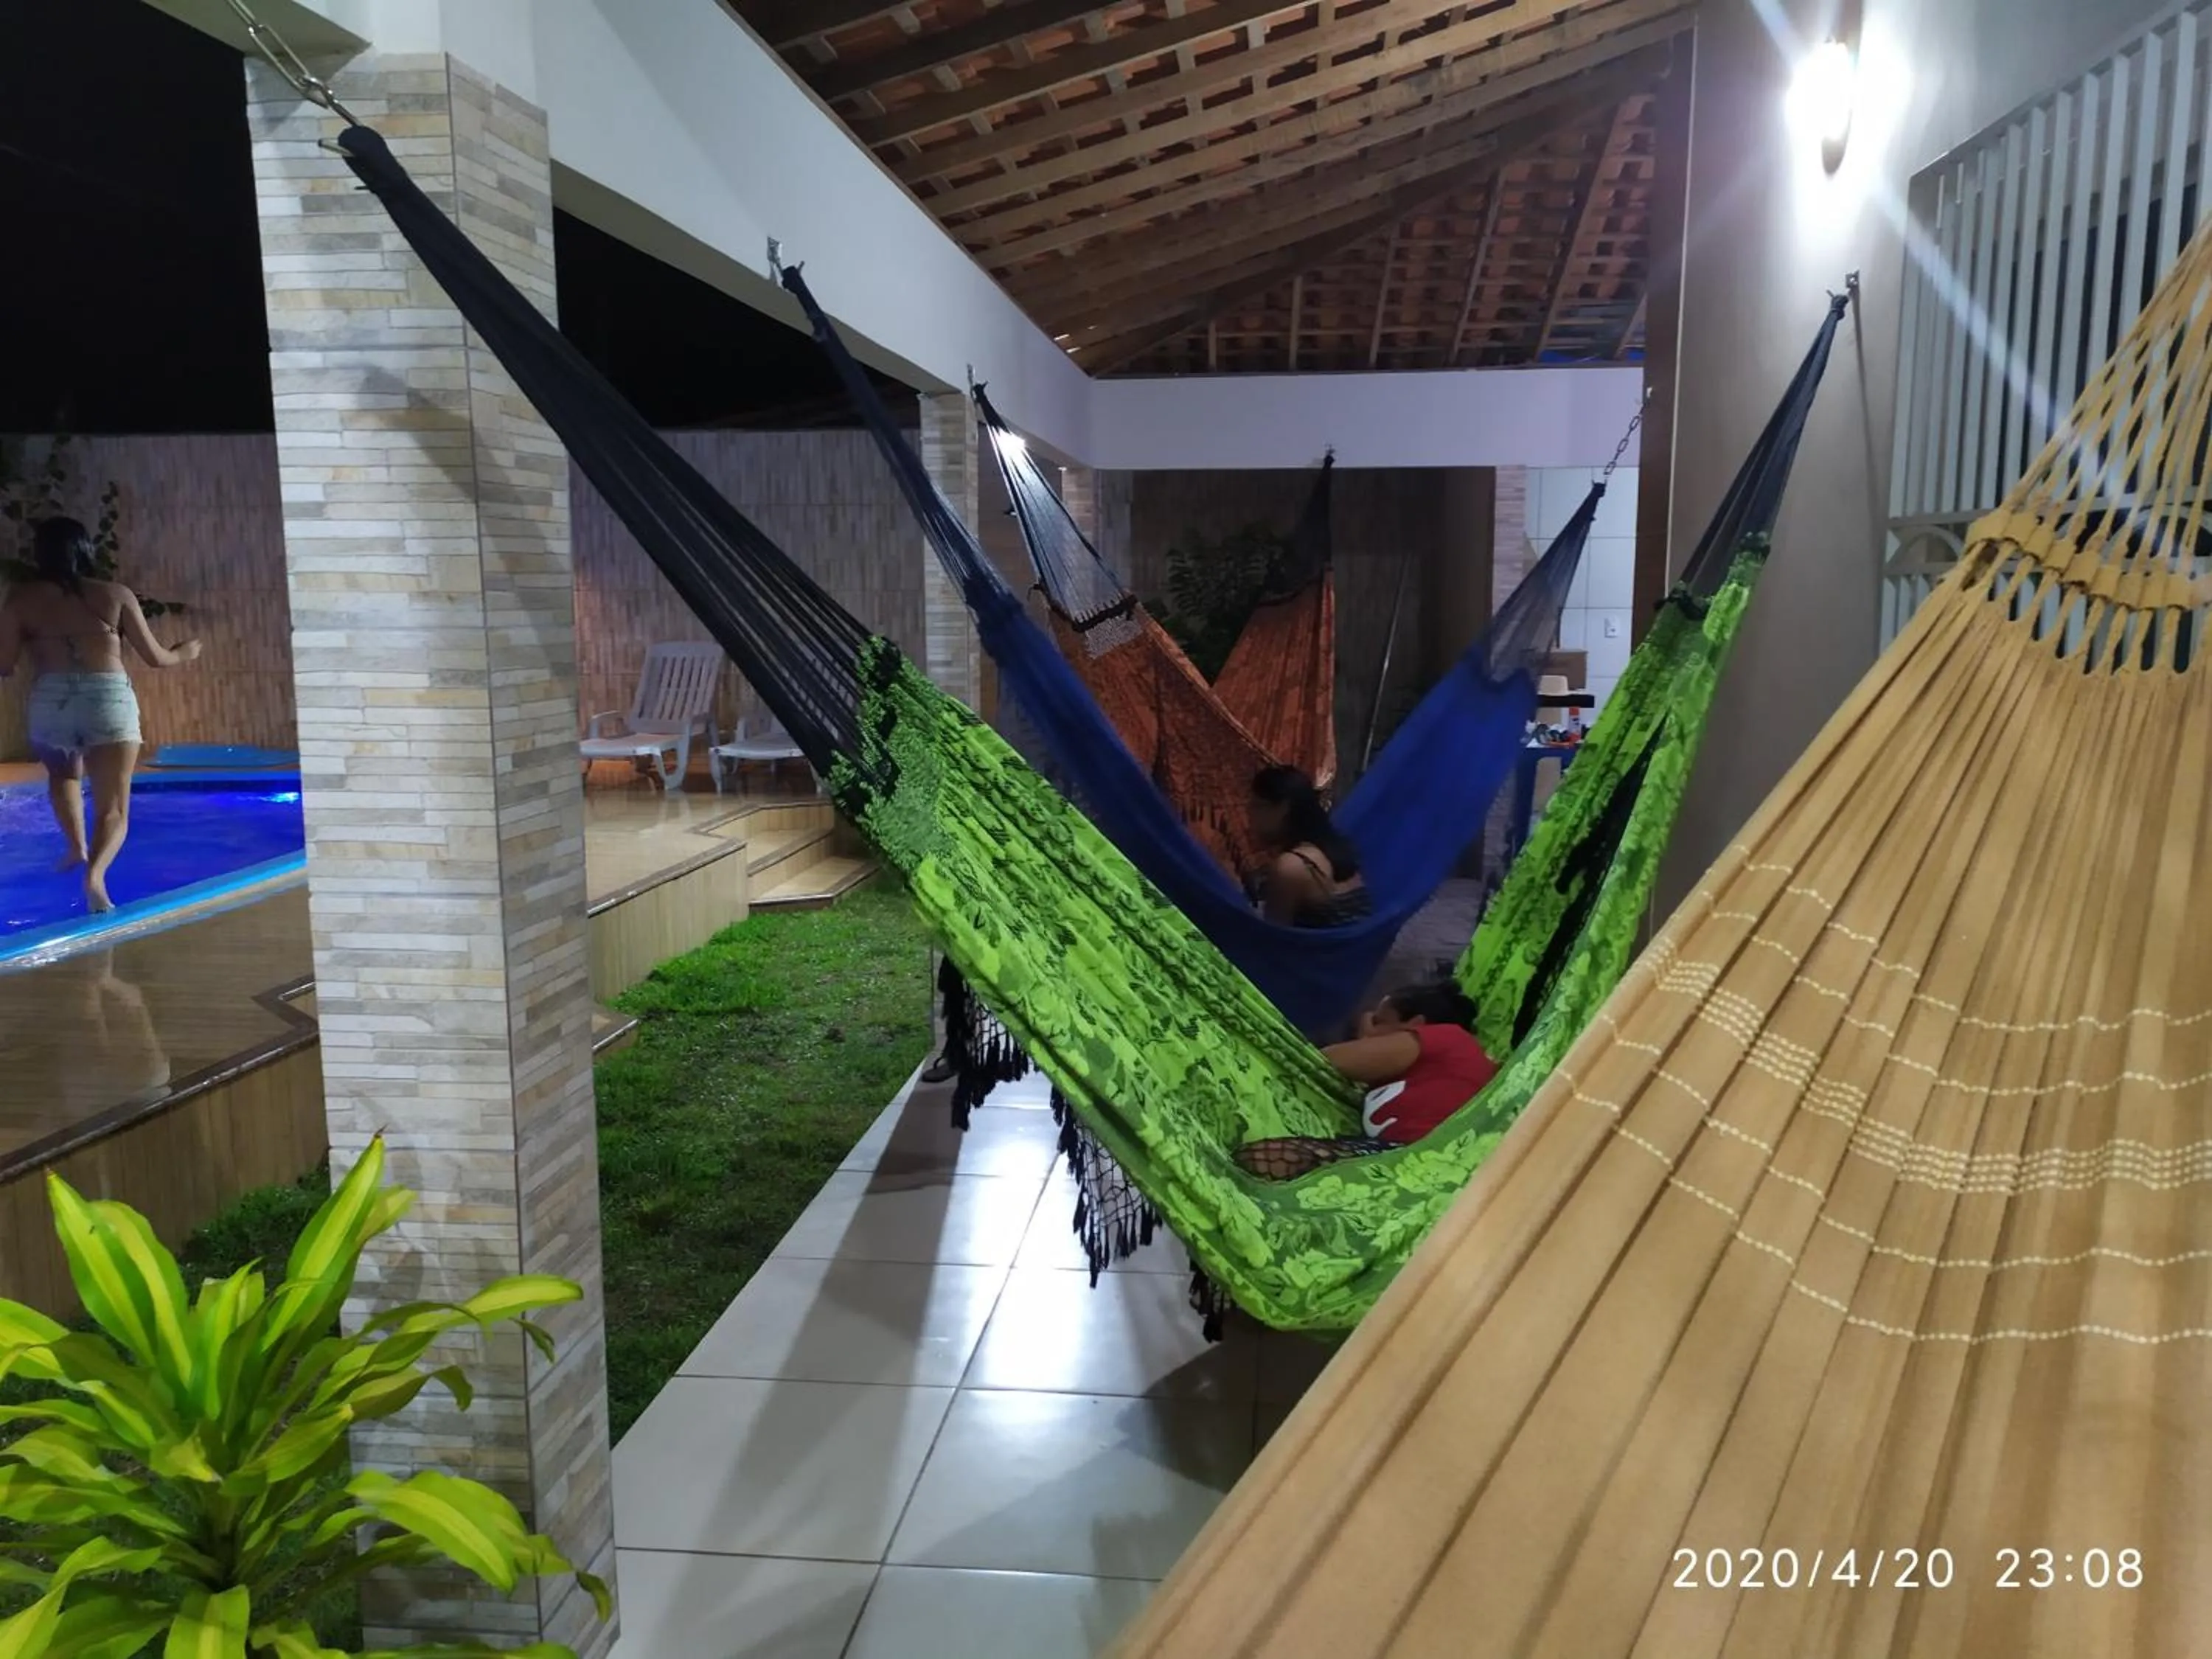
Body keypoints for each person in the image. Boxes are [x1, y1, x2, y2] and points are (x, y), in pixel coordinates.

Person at [0, 517, 201, 912]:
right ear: (86, 551)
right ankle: (96, 877)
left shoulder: (20, 599)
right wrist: (185, 652)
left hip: (52, 699)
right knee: (113, 807)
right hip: (106, 698)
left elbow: (4, 664)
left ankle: (76, 847)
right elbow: (157, 658)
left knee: (63, 775)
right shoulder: (115, 594)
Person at [1234, 979, 1498, 1180]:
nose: (1371, 1026)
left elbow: (1325, 1060)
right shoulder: (1438, 1063)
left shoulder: (1449, 1039)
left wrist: (1365, 1032)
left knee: (1267, 1161)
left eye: (1380, 1021)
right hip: (1406, 1158)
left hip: (1419, 1160)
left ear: (1416, 1024)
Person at [1248, 764, 1373, 928]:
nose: (1250, 815)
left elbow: (1274, 938)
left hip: (1322, 952)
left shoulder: (1291, 866)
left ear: (1283, 808)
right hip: (1355, 951)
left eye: (1257, 806)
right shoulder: (1331, 849)